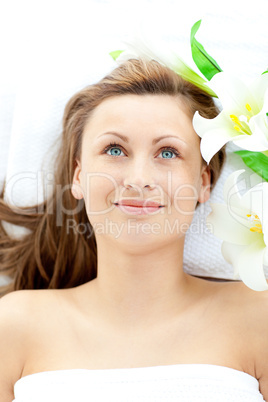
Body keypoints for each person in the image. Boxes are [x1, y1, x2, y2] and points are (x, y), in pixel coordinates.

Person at [0, 58, 267, 401]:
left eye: (167, 153)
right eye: (115, 150)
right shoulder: (15, 324)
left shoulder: (259, 317)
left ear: (203, 182)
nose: (139, 179)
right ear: (78, 177)